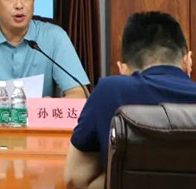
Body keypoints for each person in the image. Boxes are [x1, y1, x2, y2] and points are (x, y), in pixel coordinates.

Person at [64, 11, 196, 189]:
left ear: (123, 69)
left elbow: (75, 180)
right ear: (188, 60)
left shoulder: (109, 91)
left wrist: (122, 174)